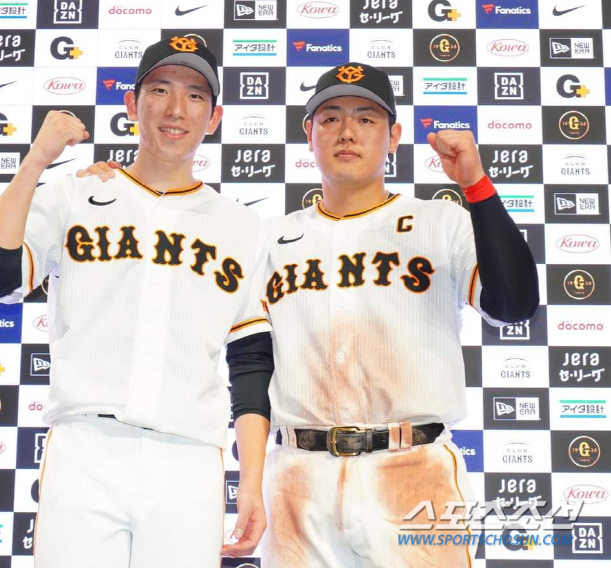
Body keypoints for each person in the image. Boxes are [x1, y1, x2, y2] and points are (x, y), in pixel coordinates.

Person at [79, 61, 539, 567]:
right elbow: (250, 359)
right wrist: (119, 191)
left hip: (413, 470)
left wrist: (476, 185)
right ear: (309, 134)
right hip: (299, 477)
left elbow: (513, 305)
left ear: (394, 137)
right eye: (330, 118)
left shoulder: (440, 222)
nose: (347, 131)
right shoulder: (267, 238)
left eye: (366, 118)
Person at [0, 36, 272, 567]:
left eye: (196, 95)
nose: (176, 109)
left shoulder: (242, 227)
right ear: (132, 104)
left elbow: (250, 361)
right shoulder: (74, 195)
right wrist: (36, 161)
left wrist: (251, 481)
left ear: (215, 117)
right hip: (86, 446)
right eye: (160, 90)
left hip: (189, 456)